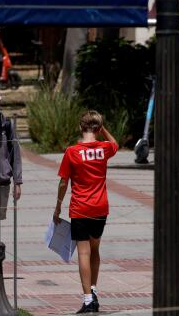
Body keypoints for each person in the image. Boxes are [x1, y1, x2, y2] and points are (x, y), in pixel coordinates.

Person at [53, 111, 118, 314]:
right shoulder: (104, 148)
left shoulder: (72, 152)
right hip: (100, 207)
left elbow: (64, 181)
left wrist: (58, 205)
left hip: (80, 208)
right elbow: (115, 143)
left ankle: (88, 299)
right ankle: (94, 290)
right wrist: (102, 128)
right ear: (98, 129)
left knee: (83, 252)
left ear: (80, 128)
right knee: (95, 249)